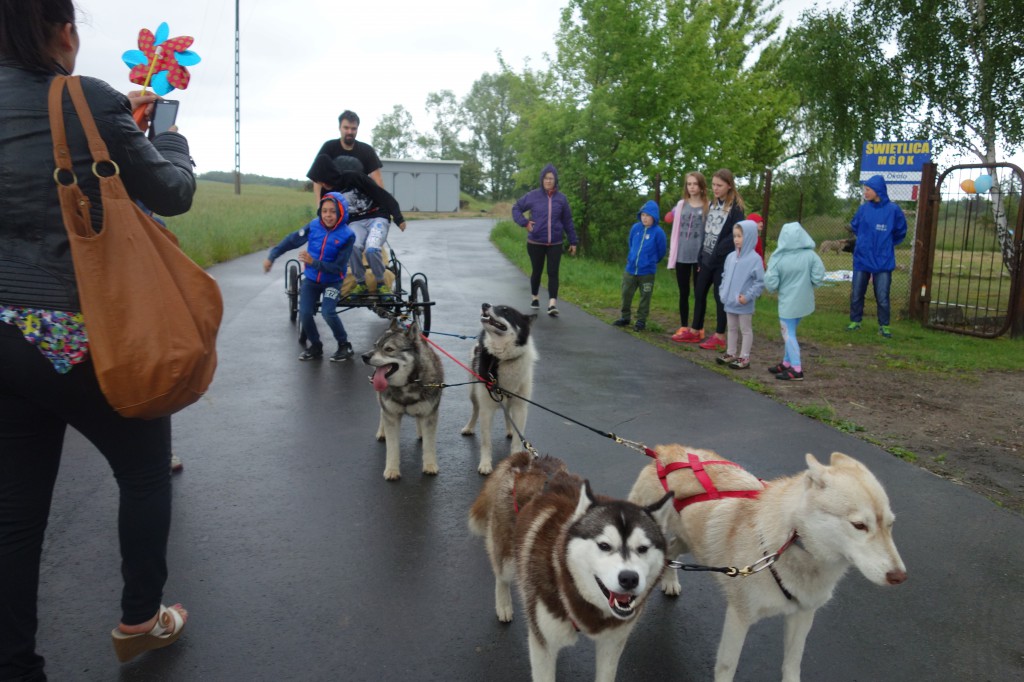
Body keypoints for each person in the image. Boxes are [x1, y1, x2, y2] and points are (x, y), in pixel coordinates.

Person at [0, 3, 196, 677]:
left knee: (17, 511)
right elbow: (170, 193)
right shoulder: (85, 97)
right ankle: (141, 619)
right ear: (62, 30)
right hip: (85, 332)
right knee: (143, 470)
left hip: (4, 336)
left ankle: (16, 662)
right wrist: (167, 138)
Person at [307, 111, 400, 296]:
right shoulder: (329, 148)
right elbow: (317, 180)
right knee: (339, 245)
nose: (350, 131)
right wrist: (320, 207)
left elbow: (377, 180)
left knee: (373, 247)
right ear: (340, 128)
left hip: (365, 210)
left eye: (353, 128)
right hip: (337, 211)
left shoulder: (365, 151)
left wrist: (383, 206)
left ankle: (380, 282)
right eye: (346, 128)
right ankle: (347, 281)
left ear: (357, 129)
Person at [264, 192, 355, 361]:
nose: (328, 215)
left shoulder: (348, 235)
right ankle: (315, 346)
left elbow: (337, 268)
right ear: (320, 211)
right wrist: (273, 255)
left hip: (333, 282)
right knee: (304, 313)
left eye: (333, 212)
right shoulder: (313, 226)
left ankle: (344, 345)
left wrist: (313, 262)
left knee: (328, 312)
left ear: (341, 213)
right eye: (325, 211)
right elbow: (292, 240)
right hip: (312, 280)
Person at [675, 169, 747, 350]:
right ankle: (695, 329)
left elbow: (736, 234)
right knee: (699, 292)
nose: (715, 188)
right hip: (706, 258)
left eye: (719, 185)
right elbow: (707, 231)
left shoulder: (736, 208)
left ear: (729, 185)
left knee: (719, 297)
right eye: (713, 184)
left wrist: (719, 250)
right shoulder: (714, 204)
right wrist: (701, 254)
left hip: (722, 261)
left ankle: (719, 335)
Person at [511, 164, 579, 316]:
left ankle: (552, 304)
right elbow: (516, 208)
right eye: (546, 178)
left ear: (555, 181)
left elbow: (568, 221)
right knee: (537, 271)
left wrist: (573, 241)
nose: (548, 181)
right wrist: (526, 223)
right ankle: (535, 297)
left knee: (553, 272)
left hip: (555, 242)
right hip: (536, 242)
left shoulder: (561, 199)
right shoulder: (533, 196)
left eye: (551, 178)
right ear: (542, 179)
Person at [764, 222, 826, 381]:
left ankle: (796, 368)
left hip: (787, 303)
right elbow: (819, 274)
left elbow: (771, 282)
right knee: (790, 332)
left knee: (788, 333)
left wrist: (773, 287)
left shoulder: (778, 257)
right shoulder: (811, 255)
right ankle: (787, 362)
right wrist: (813, 283)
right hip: (805, 302)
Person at [847, 174, 907, 338]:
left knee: (882, 296)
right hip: (862, 259)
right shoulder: (863, 209)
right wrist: (864, 243)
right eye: (865, 189)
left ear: (878, 190)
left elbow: (900, 231)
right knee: (857, 293)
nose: (865, 193)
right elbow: (855, 226)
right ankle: (855, 321)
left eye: (868, 190)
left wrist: (886, 244)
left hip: (883, 261)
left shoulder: (893, 210)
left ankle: (884, 325)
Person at [664, 172, 708, 342]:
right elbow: (672, 221)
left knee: (699, 293)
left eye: (695, 184)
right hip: (682, 254)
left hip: (699, 257)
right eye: (689, 184)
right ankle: (684, 325)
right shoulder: (681, 204)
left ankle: (698, 327)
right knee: (684, 292)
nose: (691, 187)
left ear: (702, 186)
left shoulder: (707, 206)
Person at [716, 220, 764, 369]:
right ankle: (731, 353)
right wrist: (722, 291)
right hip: (729, 301)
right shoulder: (730, 257)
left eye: (740, 236)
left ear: (749, 237)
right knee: (731, 328)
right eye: (735, 236)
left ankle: (744, 357)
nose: (736, 239)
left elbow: (760, 282)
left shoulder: (755, 259)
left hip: (744, 303)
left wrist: (748, 297)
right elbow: (724, 276)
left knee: (745, 330)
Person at [613, 200, 667, 331]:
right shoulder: (635, 228)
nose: (645, 218)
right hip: (631, 269)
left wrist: (650, 260)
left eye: (648, 215)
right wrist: (632, 257)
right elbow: (631, 243)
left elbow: (661, 251)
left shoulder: (658, 233)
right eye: (643, 215)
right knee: (626, 293)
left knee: (645, 297)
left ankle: (641, 321)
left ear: (654, 216)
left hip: (647, 272)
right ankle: (625, 317)